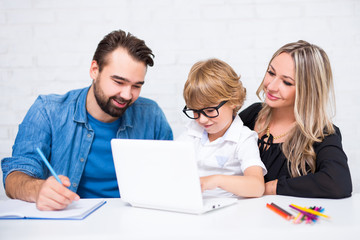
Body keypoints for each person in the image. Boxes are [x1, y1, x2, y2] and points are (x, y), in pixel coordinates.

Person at [1, 30, 173, 210]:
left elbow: (170, 175)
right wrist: (37, 189)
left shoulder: (151, 115)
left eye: (136, 86)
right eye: (118, 82)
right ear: (94, 70)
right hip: (69, 224)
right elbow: (14, 177)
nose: (127, 94)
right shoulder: (47, 111)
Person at [239, 40, 352, 198]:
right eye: (271, 73)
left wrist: (270, 187)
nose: (271, 86)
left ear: (308, 91)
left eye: (286, 82)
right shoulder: (252, 115)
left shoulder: (321, 133)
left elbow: (338, 183)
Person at [178, 58, 266, 198]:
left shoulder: (243, 138)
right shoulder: (192, 132)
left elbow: (257, 187)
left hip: (228, 209)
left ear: (234, 101)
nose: (202, 119)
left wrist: (216, 180)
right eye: (195, 111)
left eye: (210, 111)